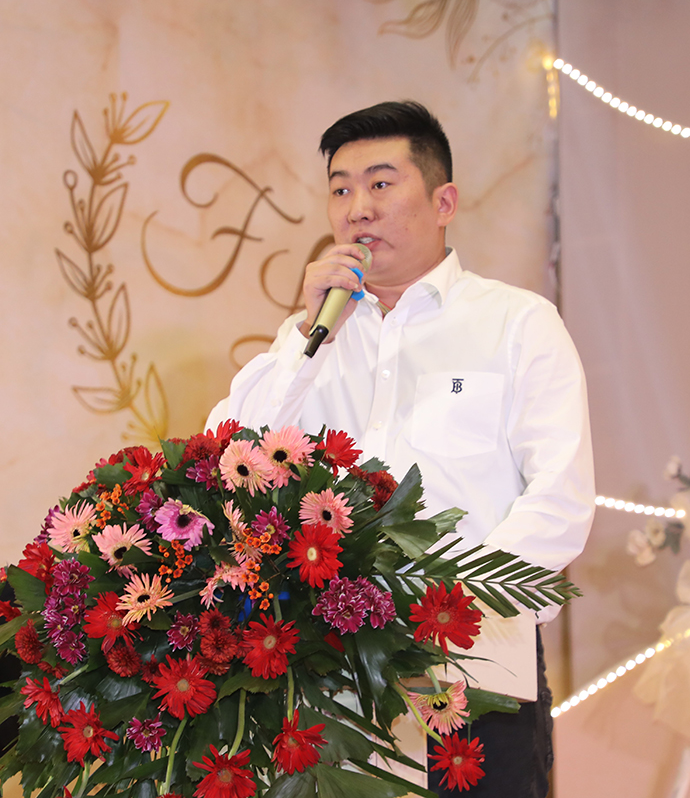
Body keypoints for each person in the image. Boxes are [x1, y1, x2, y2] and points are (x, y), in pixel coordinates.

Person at [206, 100, 595, 797]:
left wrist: (445, 606)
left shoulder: (516, 323)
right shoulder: (310, 337)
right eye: (341, 189)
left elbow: (559, 496)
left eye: (381, 183)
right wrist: (306, 338)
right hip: (332, 682)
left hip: (476, 670)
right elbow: (231, 460)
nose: (358, 208)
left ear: (444, 202)